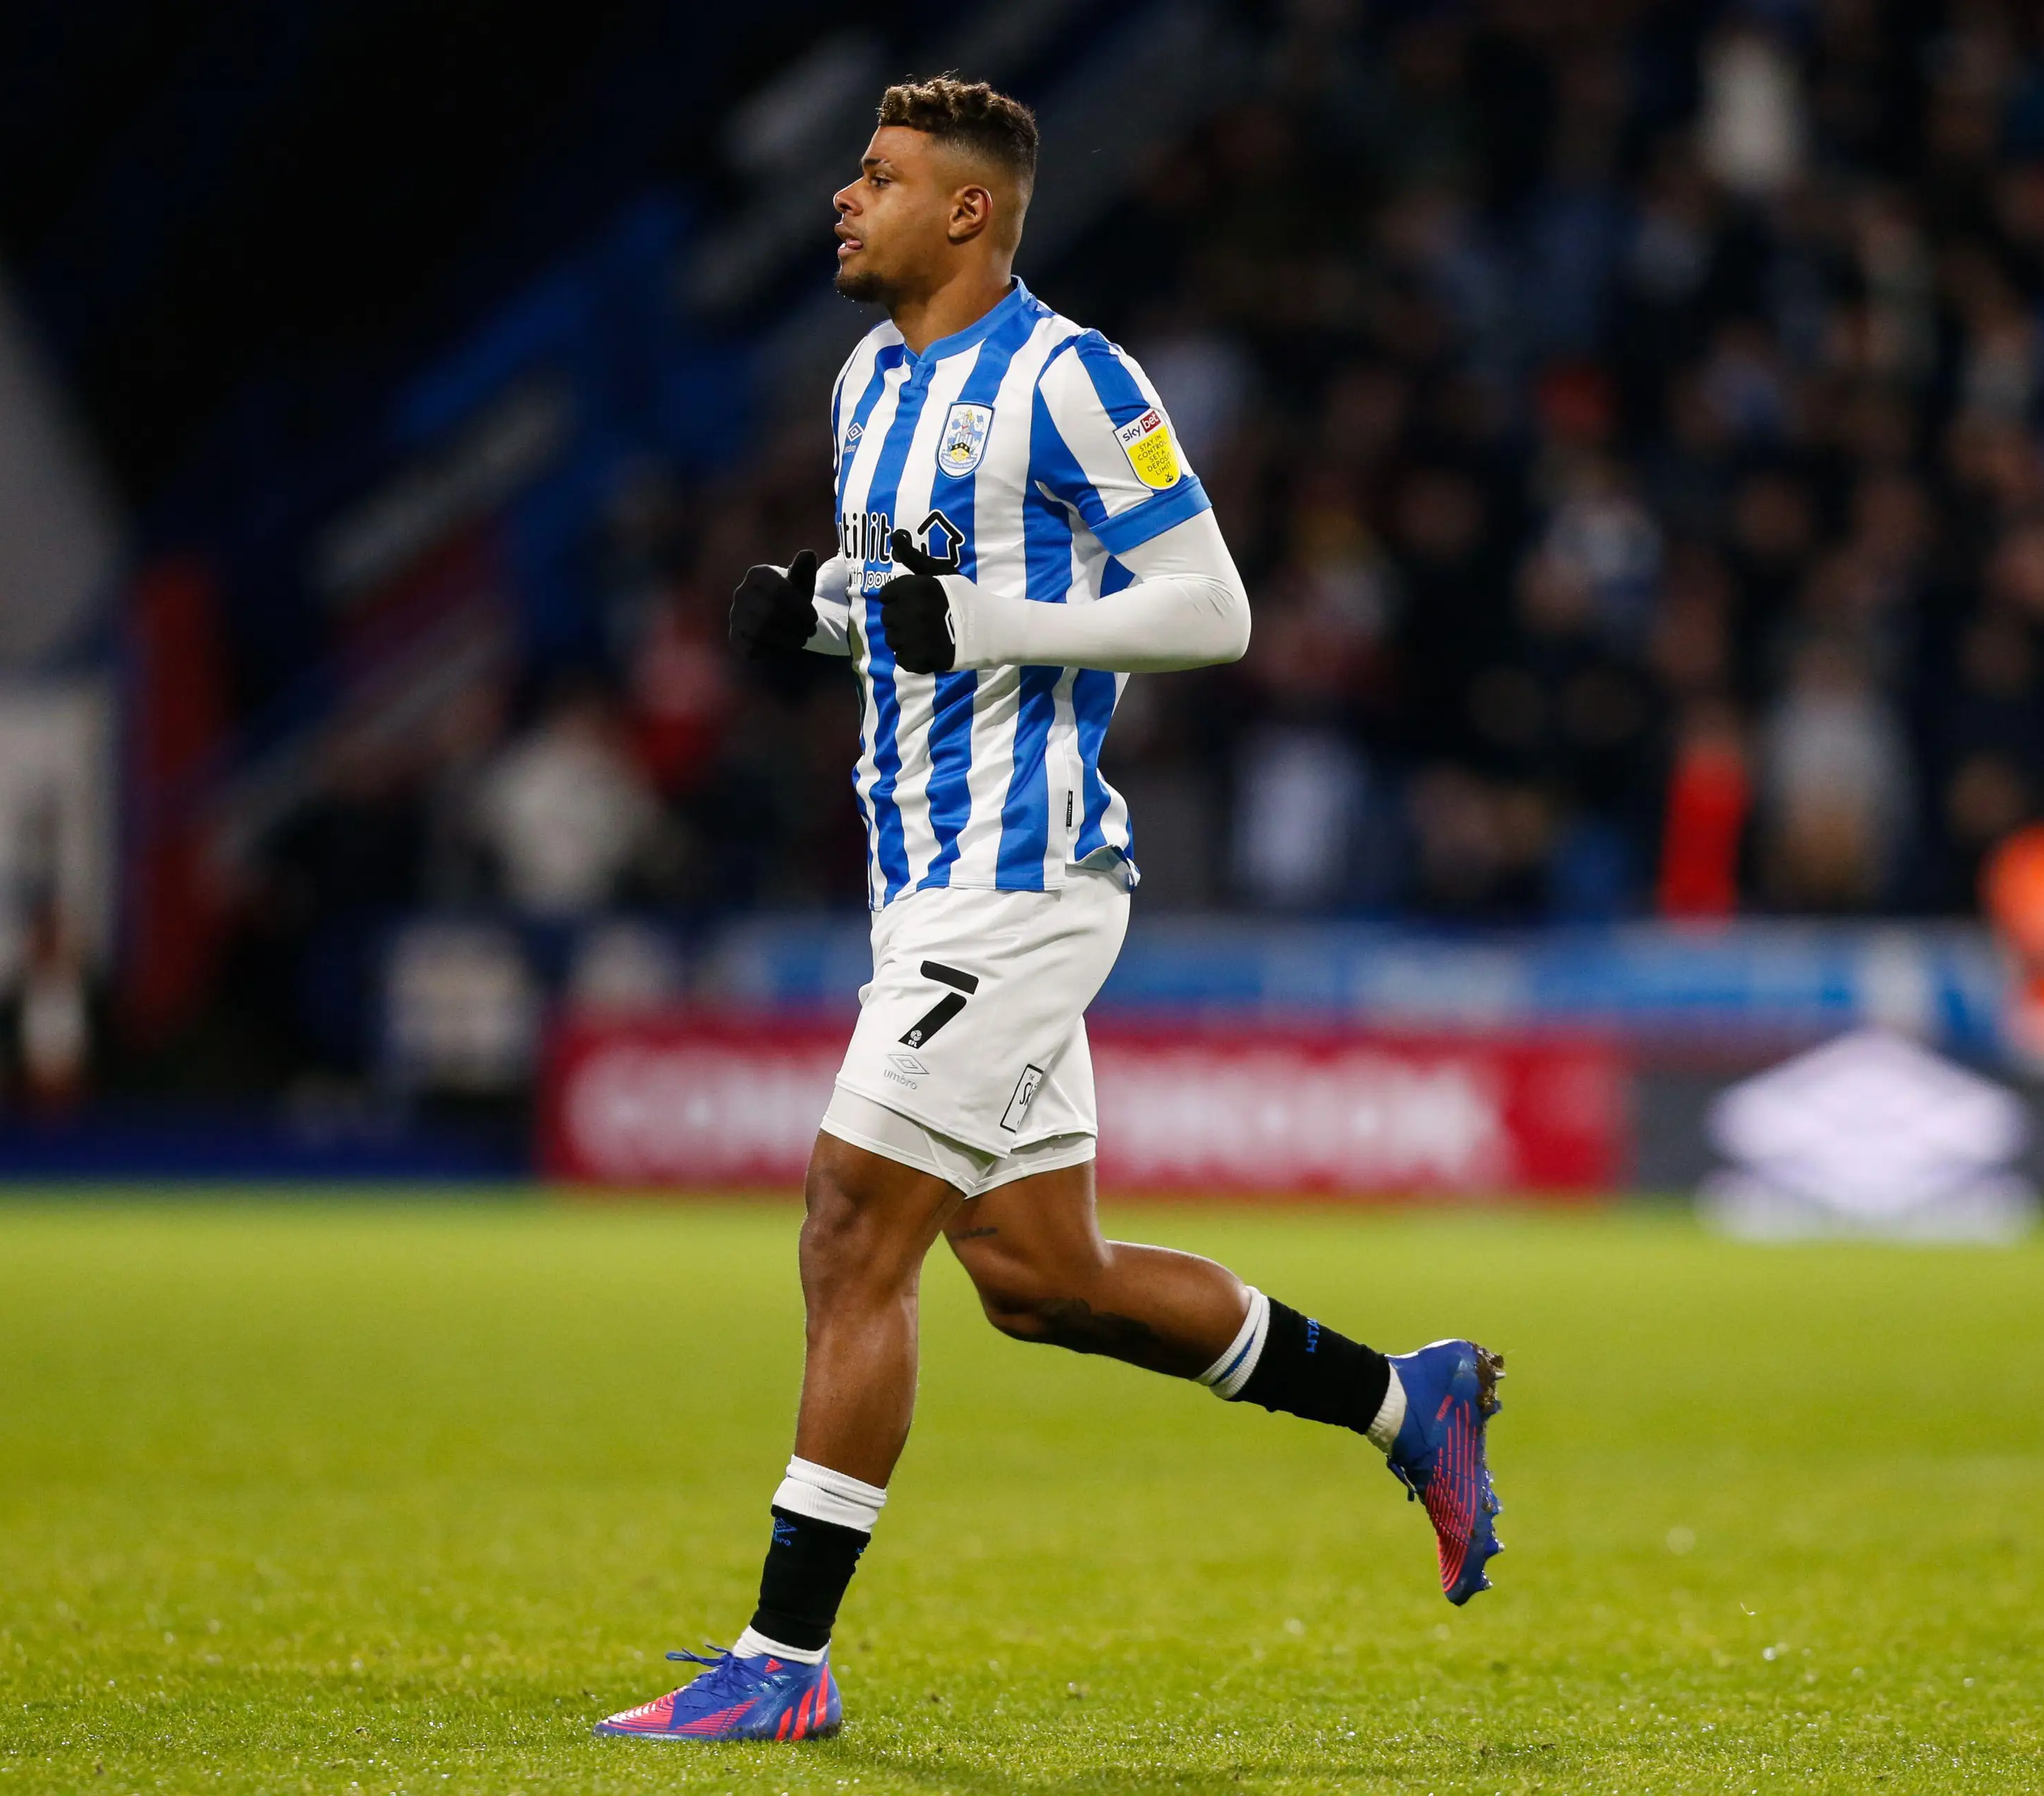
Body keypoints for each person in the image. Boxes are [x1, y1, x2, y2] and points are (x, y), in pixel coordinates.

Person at [598, 76, 1502, 1746]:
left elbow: (1211, 608)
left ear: (968, 213)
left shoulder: (1075, 378)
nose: (843, 202)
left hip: (1019, 883)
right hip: (919, 882)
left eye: (877, 178)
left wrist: (997, 620)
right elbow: (916, 605)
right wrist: (816, 616)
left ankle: (783, 1662)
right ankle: (1406, 1399)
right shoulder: (872, 380)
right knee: (1039, 1275)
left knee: (850, 1227)